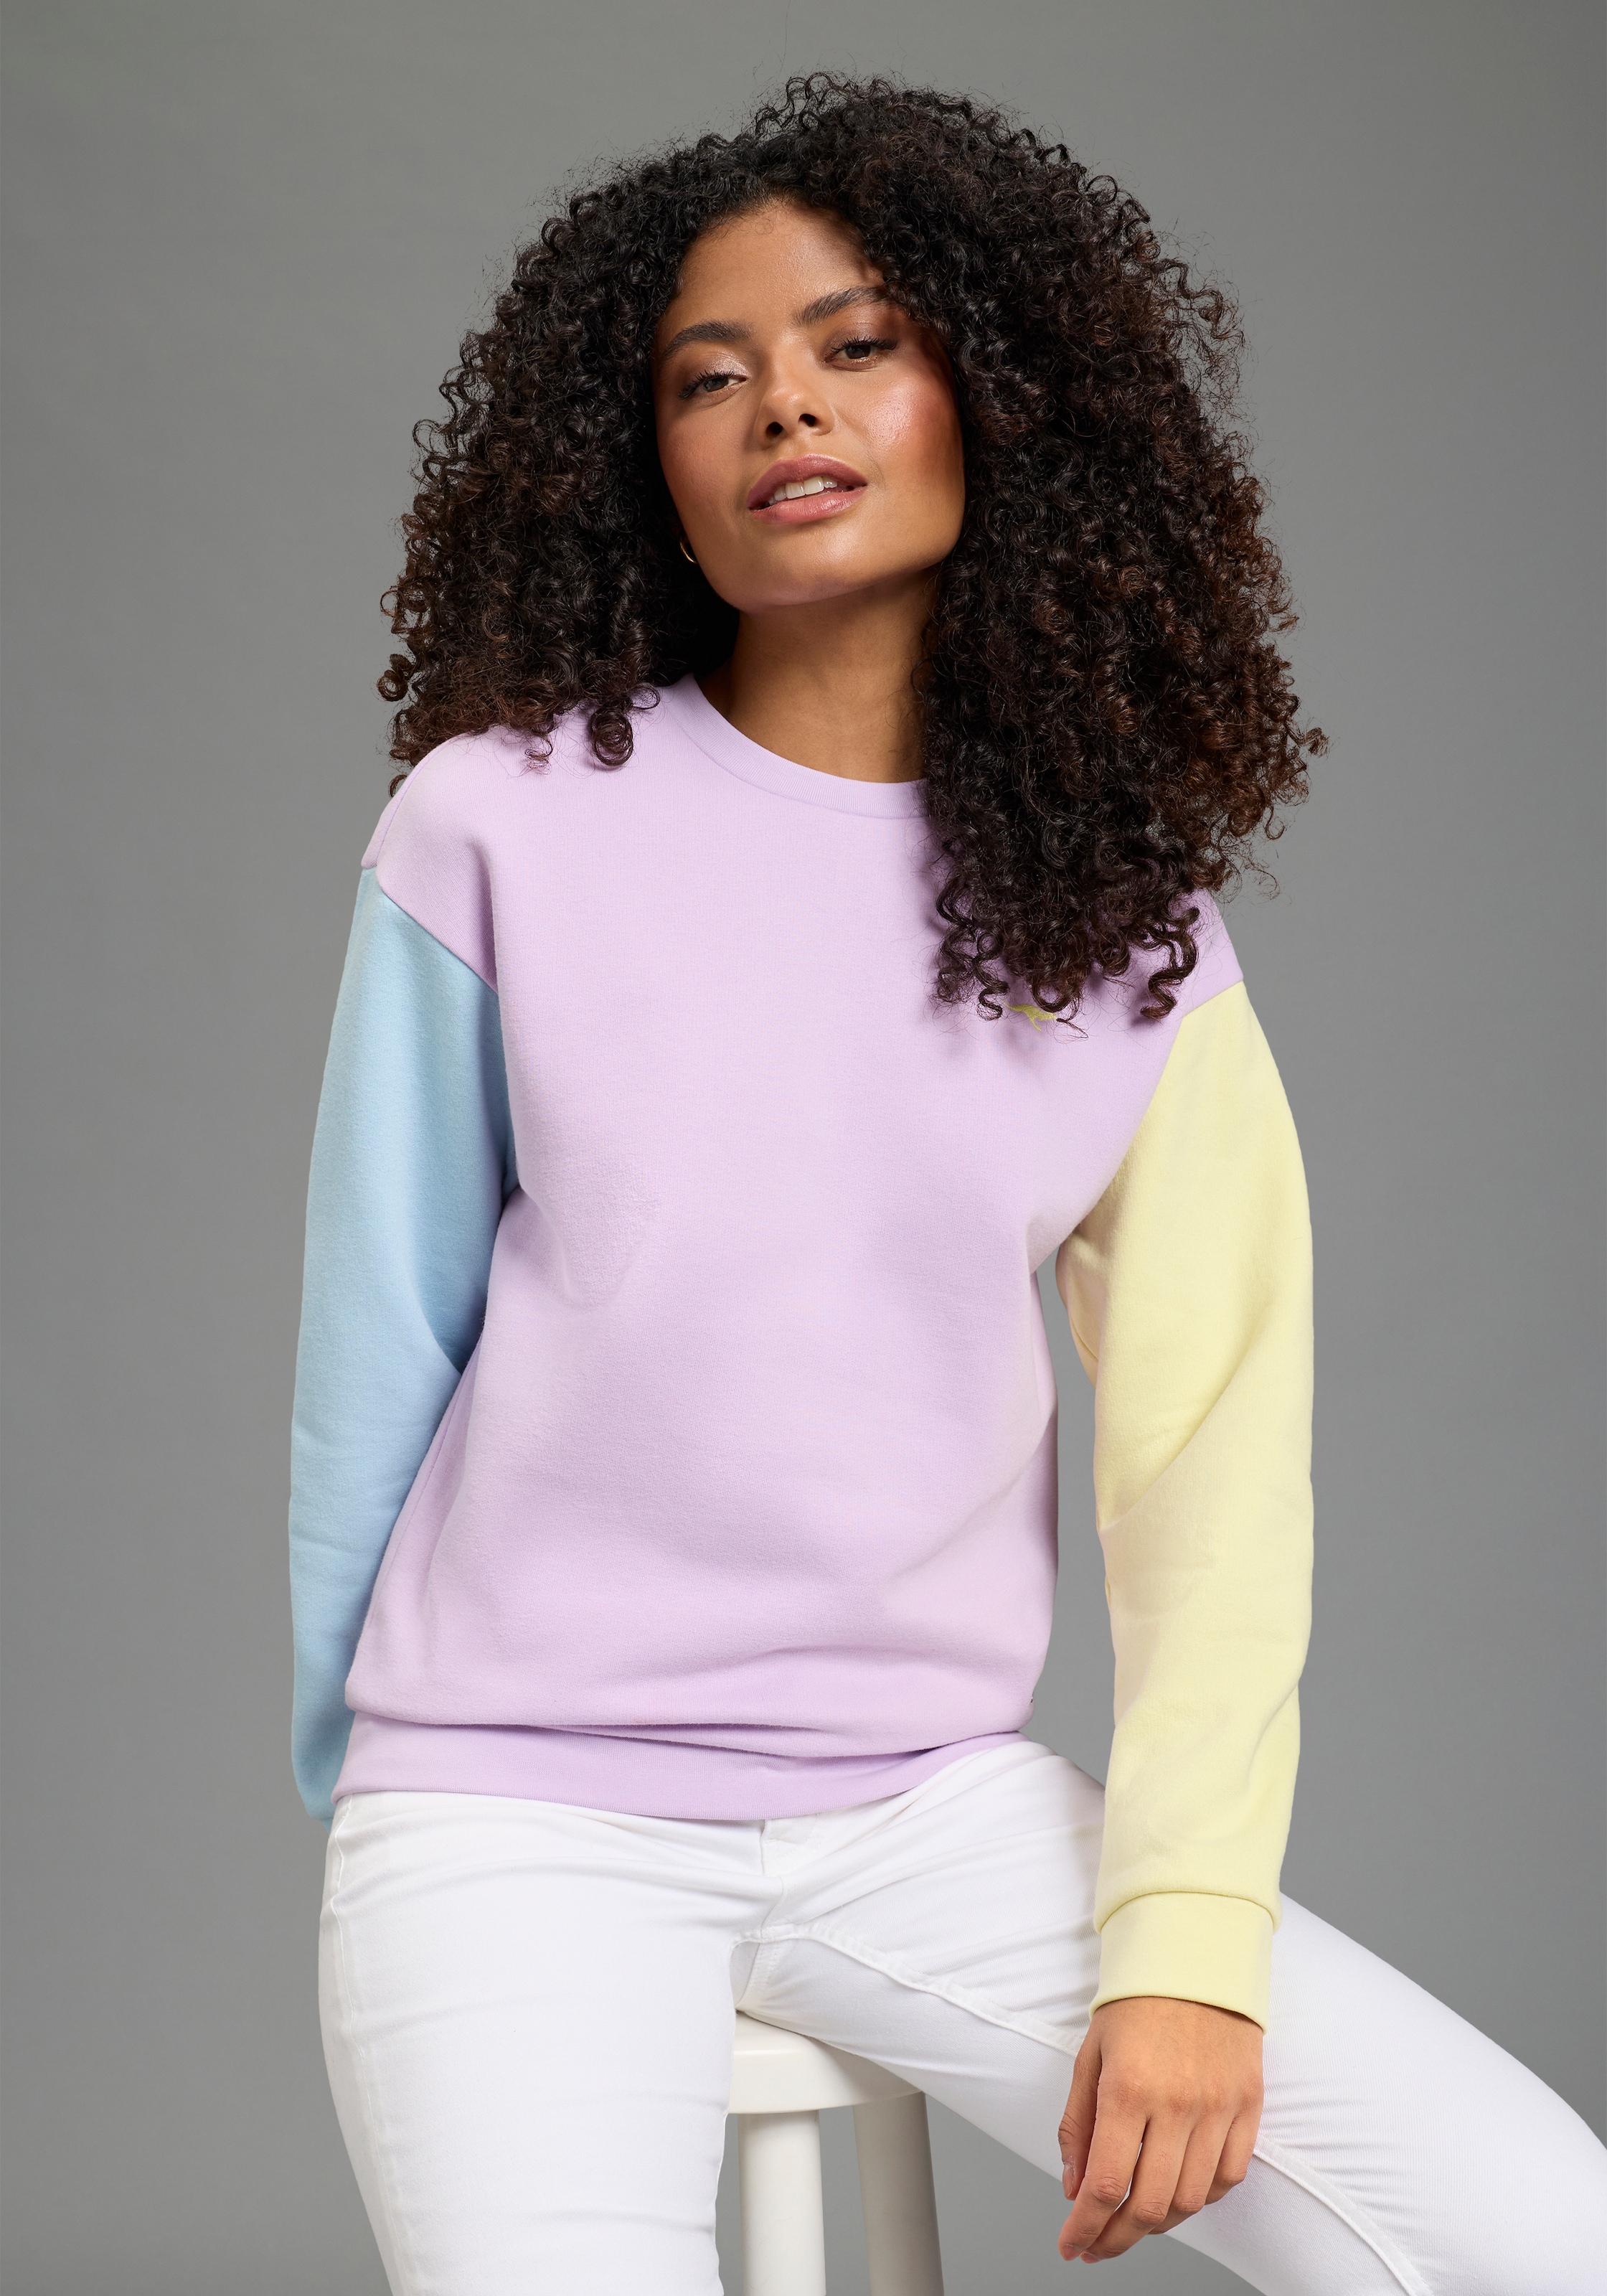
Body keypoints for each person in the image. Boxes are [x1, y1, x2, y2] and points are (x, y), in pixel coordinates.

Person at [289, 75, 1606, 2292]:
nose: (783, 407)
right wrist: (380, 1800)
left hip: (924, 1808)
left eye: (856, 344)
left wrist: (1186, 1944)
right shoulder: (495, 823)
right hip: (519, 1803)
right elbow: (376, 1342)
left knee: (1541, 2234)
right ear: (642, 463)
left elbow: (1210, 1469)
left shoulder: (1126, 921)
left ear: (1000, 394)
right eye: (708, 377)